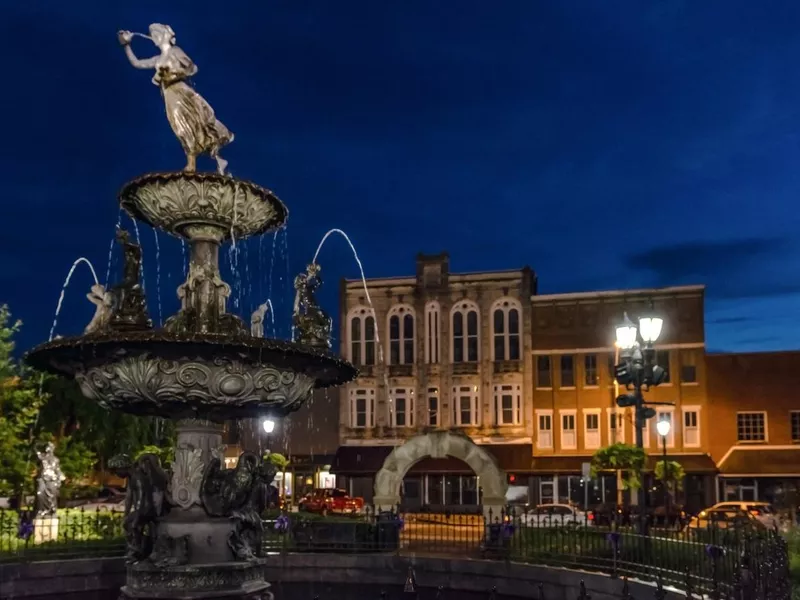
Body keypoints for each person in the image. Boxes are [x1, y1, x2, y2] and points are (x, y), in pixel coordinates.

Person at [118, 24, 234, 174]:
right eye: (153, 35)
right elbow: (137, 63)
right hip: (169, 95)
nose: (155, 38)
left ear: (165, 36)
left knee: (192, 123)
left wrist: (172, 73)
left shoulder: (176, 51)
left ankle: (196, 162)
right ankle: (200, 160)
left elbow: (192, 68)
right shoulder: (157, 59)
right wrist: (126, 45)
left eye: (157, 34)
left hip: (181, 92)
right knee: (179, 126)